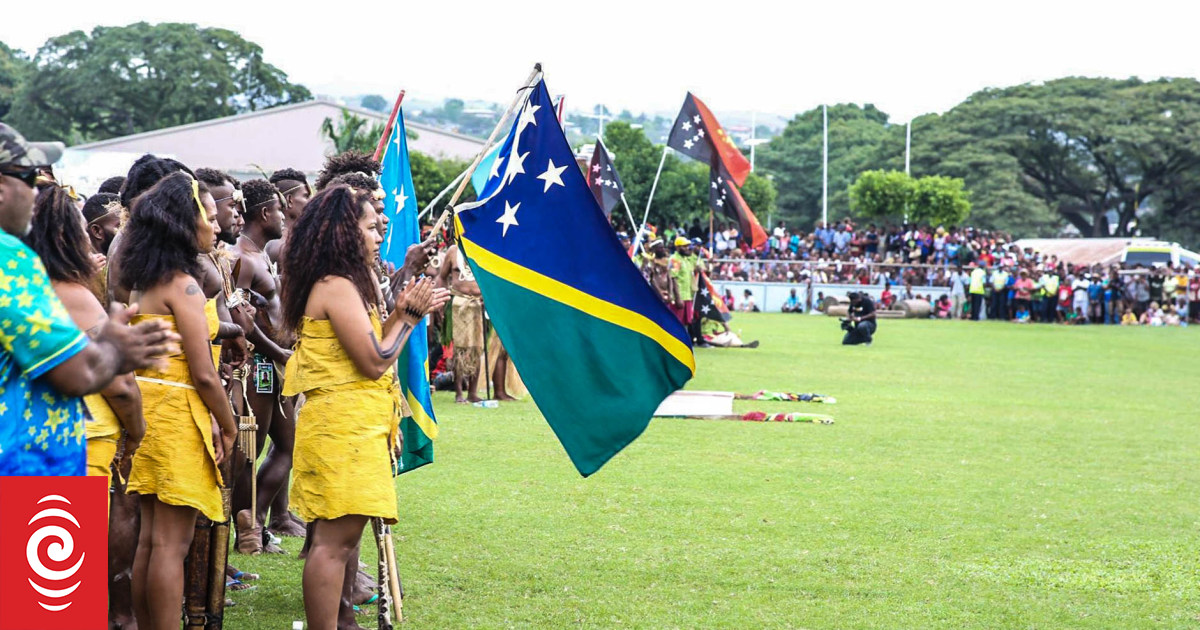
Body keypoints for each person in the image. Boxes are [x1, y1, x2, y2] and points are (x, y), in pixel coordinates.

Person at [278, 184, 448, 630]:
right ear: (343, 233)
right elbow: (374, 361)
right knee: (332, 546)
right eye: (371, 228)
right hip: (341, 429)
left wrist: (410, 309)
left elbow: (373, 340)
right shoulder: (334, 285)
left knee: (339, 541)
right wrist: (409, 319)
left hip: (352, 426)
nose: (378, 237)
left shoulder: (344, 283)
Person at [0, 123, 176, 476]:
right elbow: (76, 373)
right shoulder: (9, 261)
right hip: (27, 471)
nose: (37, 195)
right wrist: (114, 348)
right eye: (30, 179)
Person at [115, 171, 237, 630]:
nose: (218, 225)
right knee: (171, 543)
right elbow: (206, 375)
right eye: (209, 215)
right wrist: (226, 425)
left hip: (151, 410)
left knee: (153, 539)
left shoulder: (145, 283)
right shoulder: (184, 286)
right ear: (185, 224)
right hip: (177, 414)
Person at [233, 178, 298, 553]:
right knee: (248, 451)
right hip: (259, 366)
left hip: (274, 361)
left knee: (288, 446)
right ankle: (248, 533)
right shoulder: (242, 257)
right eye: (278, 209)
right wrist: (275, 351)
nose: (284, 217)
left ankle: (256, 521)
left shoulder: (262, 255)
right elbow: (240, 317)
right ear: (264, 213)